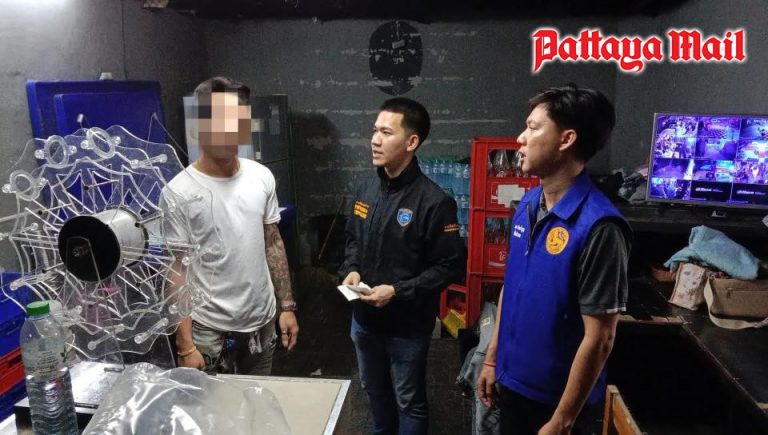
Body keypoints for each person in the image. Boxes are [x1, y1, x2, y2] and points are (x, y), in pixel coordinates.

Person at [476, 84, 631, 435]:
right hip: (512, 383)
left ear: (567, 139)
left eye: (533, 127)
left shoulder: (600, 227)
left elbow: (601, 337)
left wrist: (562, 420)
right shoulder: (529, 204)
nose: (520, 138)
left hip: (556, 404)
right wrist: (492, 358)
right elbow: (512, 286)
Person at [340, 97, 466, 434]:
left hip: (407, 327)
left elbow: (450, 265)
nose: (375, 140)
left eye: (386, 132)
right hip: (364, 321)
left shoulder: (435, 201)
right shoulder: (365, 188)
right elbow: (352, 239)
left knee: (409, 400)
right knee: (373, 390)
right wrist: (351, 268)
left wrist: (397, 291)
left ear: (411, 142)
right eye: (374, 131)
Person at [164, 76, 298, 375]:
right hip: (209, 331)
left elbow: (272, 241)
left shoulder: (261, 176)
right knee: (211, 405)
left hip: (261, 324)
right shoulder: (178, 192)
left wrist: (287, 306)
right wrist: (185, 346)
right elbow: (177, 269)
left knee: (258, 398)